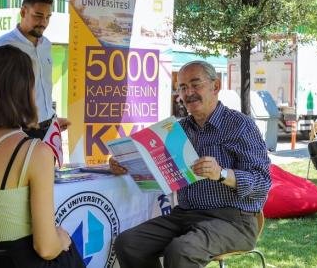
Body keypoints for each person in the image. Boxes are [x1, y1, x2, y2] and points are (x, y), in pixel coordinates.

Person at [110, 60, 271, 268]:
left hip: (234, 220)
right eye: (183, 87)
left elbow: (262, 183)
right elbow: (154, 167)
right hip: (185, 215)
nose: (189, 93)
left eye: (196, 84)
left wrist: (222, 173)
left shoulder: (240, 125)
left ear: (216, 86)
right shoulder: (177, 130)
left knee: (182, 251)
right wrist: (125, 162)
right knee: (129, 243)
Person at [0, 45, 84, 267]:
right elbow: (46, 248)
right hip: (18, 261)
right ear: (23, 92)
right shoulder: (34, 152)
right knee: (69, 248)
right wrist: (62, 238)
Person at [0, 0, 70, 136]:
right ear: (23, 12)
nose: (43, 23)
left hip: (49, 127)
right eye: (38, 16)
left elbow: (44, 87)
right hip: (18, 129)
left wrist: (52, 119)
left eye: (48, 17)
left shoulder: (46, 45)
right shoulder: (3, 46)